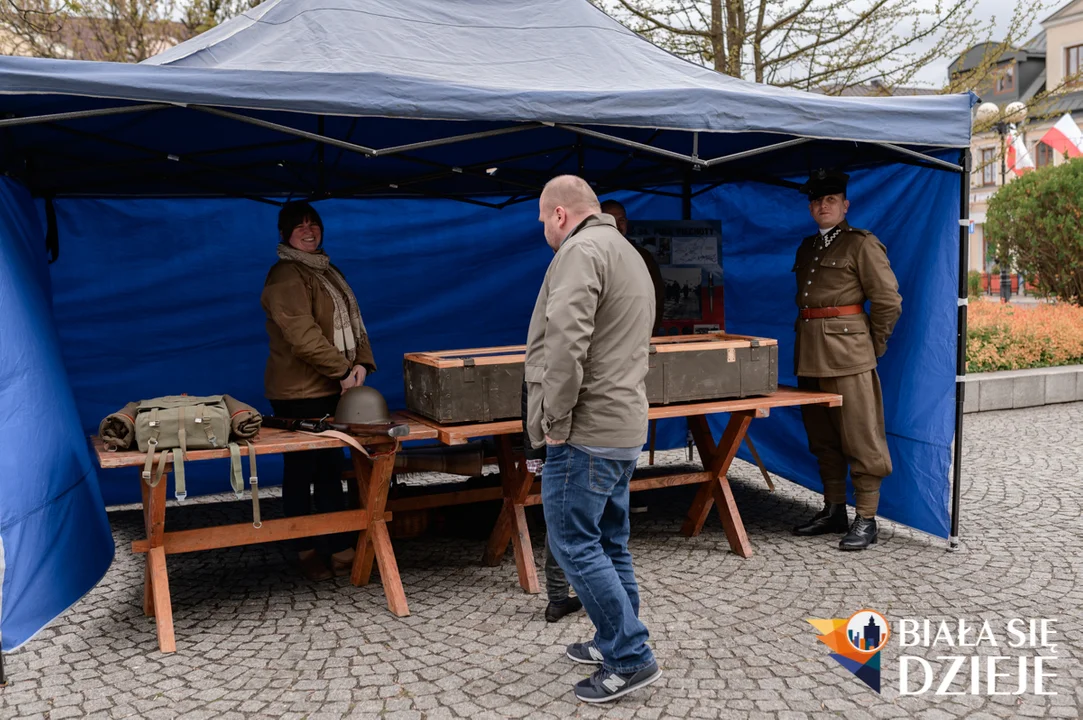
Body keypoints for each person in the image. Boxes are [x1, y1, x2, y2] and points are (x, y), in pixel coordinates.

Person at [525, 175, 661, 703]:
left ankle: (629, 656)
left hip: (586, 430)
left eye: (542, 218)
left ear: (560, 213)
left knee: (573, 542)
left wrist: (553, 422)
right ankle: (614, 641)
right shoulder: (625, 250)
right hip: (622, 423)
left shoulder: (581, 252)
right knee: (609, 541)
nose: (542, 227)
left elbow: (566, 347)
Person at [261, 201, 377, 580]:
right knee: (301, 470)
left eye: (314, 224)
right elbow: (301, 335)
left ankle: (337, 543)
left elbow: (356, 322)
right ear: (285, 233)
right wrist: (343, 370)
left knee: (329, 469)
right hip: (299, 392)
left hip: (335, 384)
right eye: (300, 226)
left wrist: (361, 365)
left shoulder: (328, 270)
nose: (309, 230)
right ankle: (305, 549)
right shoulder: (284, 275)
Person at [790, 169, 902, 551]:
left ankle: (866, 518)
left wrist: (873, 348)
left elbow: (888, 302)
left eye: (831, 200)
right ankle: (834, 508)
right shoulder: (807, 247)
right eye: (818, 201)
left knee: (861, 436)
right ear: (810, 207)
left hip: (849, 355)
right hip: (809, 353)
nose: (824, 206)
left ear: (845, 205)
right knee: (823, 438)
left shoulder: (862, 244)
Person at [519, 382, 583, 623]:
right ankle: (564, 598)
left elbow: (530, 399)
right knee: (581, 522)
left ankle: (558, 599)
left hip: (554, 440)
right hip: (583, 439)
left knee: (559, 522)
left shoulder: (541, 346)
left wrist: (534, 451)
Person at [600, 199, 665, 335]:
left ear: (627, 223)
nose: (617, 225)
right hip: (602, 337)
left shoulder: (643, 256)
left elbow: (658, 298)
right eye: (610, 220)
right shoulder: (589, 254)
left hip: (636, 335)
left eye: (621, 220)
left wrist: (650, 334)